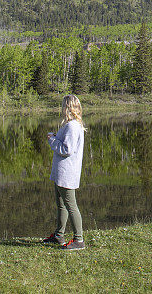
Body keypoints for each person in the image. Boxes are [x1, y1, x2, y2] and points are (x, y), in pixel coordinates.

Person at [41, 94, 86, 250]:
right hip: (62, 172)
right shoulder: (72, 125)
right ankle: (59, 235)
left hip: (67, 173)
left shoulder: (73, 126)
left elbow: (66, 149)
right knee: (61, 205)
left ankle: (78, 240)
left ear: (67, 107)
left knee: (71, 205)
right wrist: (55, 136)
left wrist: (52, 140)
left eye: (63, 106)